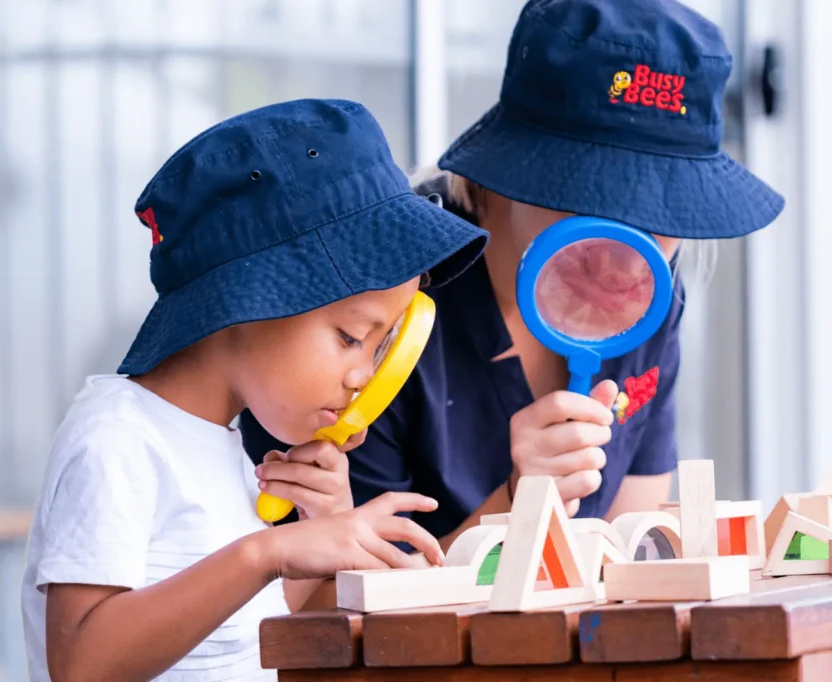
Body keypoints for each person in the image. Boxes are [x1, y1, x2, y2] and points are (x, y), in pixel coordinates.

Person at [242, 0, 784, 559]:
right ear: (513, 172)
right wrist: (514, 505)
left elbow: (629, 555)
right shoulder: (374, 298)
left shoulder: (648, 300)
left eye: (663, 208)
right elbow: (337, 608)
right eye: (593, 199)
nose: (619, 258)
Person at [19, 99, 488, 681]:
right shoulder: (118, 439)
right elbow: (82, 663)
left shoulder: (222, 444)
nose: (364, 376)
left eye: (379, 347)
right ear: (247, 303)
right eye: (350, 337)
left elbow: (260, 637)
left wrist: (326, 533)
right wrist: (269, 553)